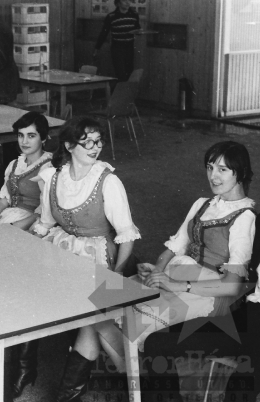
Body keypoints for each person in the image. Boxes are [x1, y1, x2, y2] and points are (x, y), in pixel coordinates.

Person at [54, 140, 255, 402]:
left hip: (208, 293)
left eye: (222, 170)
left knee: (130, 321)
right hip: (177, 274)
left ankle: (135, 384)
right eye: (210, 167)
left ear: (239, 173)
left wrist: (175, 285)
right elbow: (175, 246)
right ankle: (124, 382)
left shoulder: (245, 217)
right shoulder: (203, 203)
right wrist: (156, 272)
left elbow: (233, 285)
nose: (213, 176)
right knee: (97, 305)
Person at [0, 111, 52, 398]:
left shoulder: (49, 167)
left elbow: (45, 211)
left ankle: (25, 366)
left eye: (31, 135)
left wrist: (14, 230)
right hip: (9, 221)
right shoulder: (15, 163)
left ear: (44, 138)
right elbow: (4, 197)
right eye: (21, 135)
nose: (24, 141)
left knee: (20, 287)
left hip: (33, 227)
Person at [32, 117, 140, 272]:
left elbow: (126, 234)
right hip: (61, 245)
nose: (95, 148)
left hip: (96, 254)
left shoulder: (109, 182)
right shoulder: (53, 178)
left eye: (98, 141)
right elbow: (46, 223)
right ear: (69, 146)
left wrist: (118, 275)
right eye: (88, 142)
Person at [93, 0, 141, 81]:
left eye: (129, 0)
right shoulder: (111, 16)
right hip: (117, 49)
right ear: (118, 3)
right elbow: (104, 33)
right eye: (124, 0)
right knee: (120, 74)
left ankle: (126, 90)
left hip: (129, 48)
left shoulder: (134, 14)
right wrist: (97, 48)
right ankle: (120, 89)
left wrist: (139, 31)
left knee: (129, 73)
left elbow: (138, 28)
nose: (127, 2)